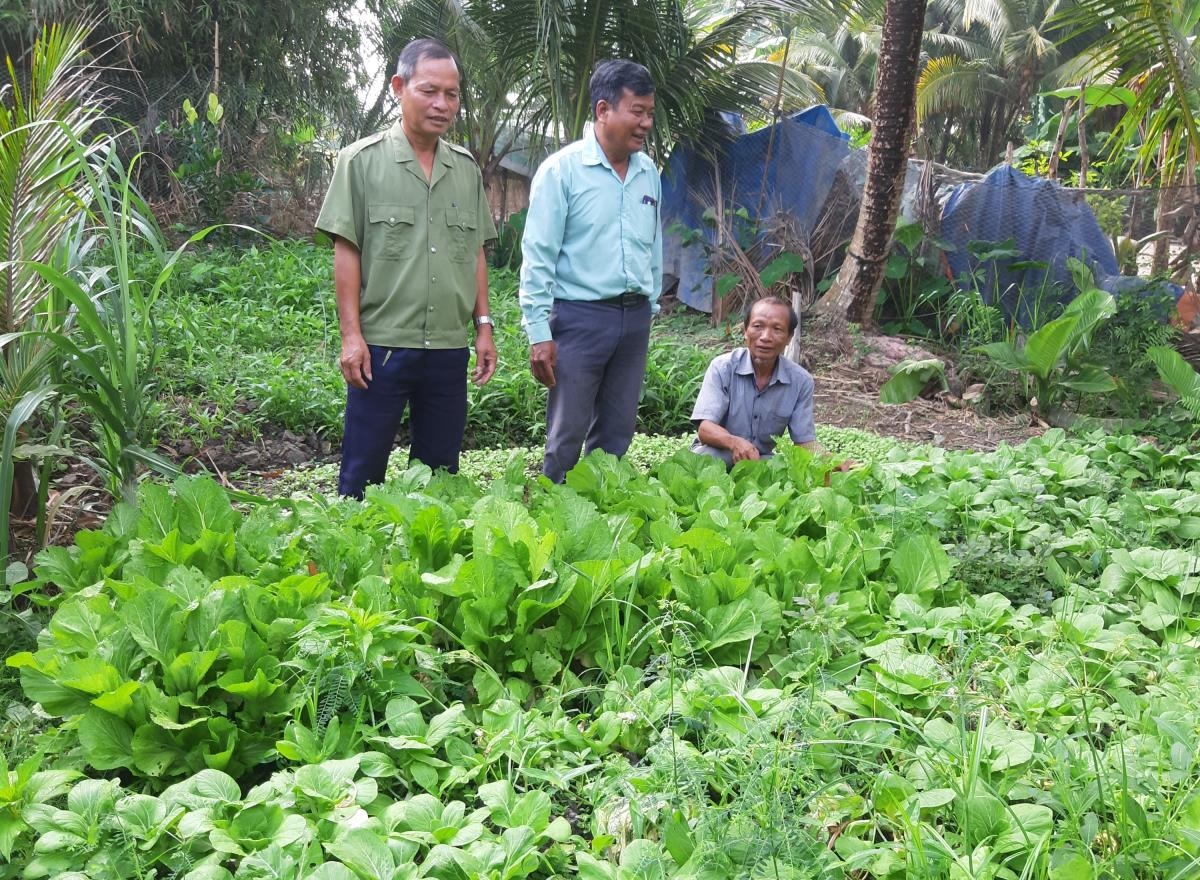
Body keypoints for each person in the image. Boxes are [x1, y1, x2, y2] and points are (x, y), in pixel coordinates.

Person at [315, 39, 497, 499]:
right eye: (429, 90)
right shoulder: (359, 162)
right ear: (399, 87)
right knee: (362, 472)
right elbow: (346, 250)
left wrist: (484, 326)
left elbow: (474, 251)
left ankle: (423, 567)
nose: (442, 104)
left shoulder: (466, 170)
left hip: (448, 349)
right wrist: (351, 336)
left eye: (452, 94)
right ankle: (354, 559)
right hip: (382, 349)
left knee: (439, 478)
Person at [519, 59, 663, 483]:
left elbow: (652, 246)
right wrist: (538, 333)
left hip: (633, 319)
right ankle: (551, 512)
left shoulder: (648, 173)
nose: (646, 123)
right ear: (603, 110)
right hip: (580, 319)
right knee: (567, 432)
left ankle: (599, 512)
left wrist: (648, 308)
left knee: (617, 431)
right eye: (637, 111)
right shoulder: (561, 172)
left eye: (650, 113)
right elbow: (538, 255)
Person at [691, 296, 824, 467]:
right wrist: (735, 442)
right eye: (758, 326)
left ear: (789, 337)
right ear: (745, 330)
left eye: (777, 329)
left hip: (760, 461)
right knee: (707, 463)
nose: (766, 337)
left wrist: (833, 461)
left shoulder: (801, 381)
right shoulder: (723, 367)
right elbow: (705, 429)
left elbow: (805, 442)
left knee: (787, 469)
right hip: (717, 454)